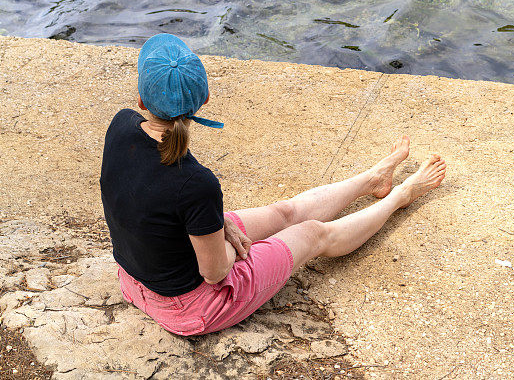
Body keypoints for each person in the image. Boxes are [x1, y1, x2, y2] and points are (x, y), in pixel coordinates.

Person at [99, 33, 446, 336]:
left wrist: (219, 227)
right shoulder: (196, 183)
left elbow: (155, 206)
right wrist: (225, 241)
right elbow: (216, 272)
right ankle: (401, 196)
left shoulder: (122, 125)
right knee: (312, 233)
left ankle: (374, 179)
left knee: (284, 212)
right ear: (203, 100)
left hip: (137, 278)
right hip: (189, 307)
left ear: (142, 101)